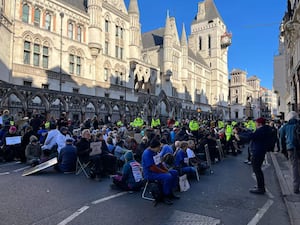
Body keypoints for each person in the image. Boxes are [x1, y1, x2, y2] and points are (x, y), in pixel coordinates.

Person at [238, 117, 272, 194]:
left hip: (258, 151)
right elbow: (252, 134)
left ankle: (260, 188)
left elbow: (251, 136)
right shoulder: (264, 129)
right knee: (257, 169)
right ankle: (260, 186)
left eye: (256, 123)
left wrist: (239, 135)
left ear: (259, 123)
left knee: (257, 169)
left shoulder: (261, 131)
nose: (255, 124)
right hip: (260, 150)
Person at [142, 139, 179, 205]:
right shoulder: (147, 154)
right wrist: (164, 172)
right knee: (168, 177)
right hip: (150, 173)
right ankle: (165, 195)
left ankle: (170, 192)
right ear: (155, 147)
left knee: (174, 172)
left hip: (157, 171)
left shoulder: (155, 152)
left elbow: (160, 163)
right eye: (159, 147)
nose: (160, 149)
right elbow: (152, 168)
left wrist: (166, 169)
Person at [279, 111, 300, 194]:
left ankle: (296, 188)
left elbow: (281, 139)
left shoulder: (285, 126)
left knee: (294, 167)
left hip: (291, 148)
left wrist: (283, 150)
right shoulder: (298, 125)